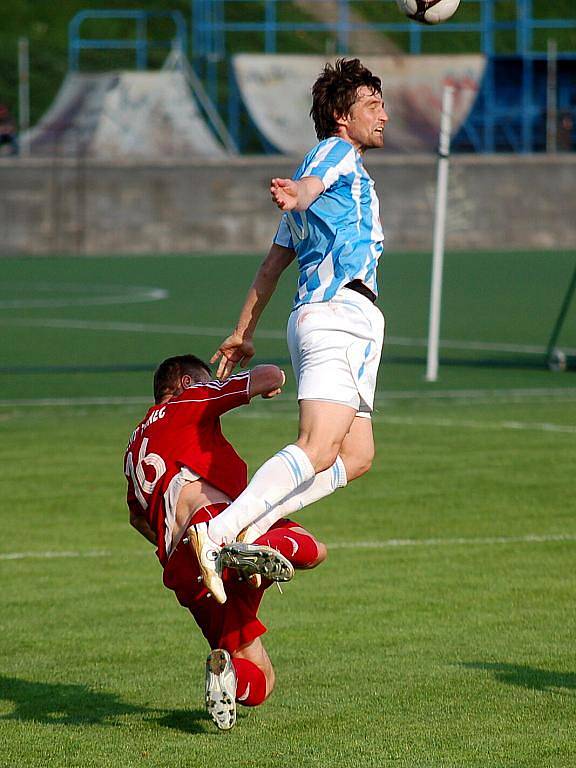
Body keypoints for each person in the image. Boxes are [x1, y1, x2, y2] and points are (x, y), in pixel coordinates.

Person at [188, 58, 388, 601]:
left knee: (357, 454)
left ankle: (253, 525)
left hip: (354, 322)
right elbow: (309, 182)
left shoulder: (342, 184)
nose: (384, 115)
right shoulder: (336, 152)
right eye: (373, 104)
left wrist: (243, 331)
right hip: (335, 315)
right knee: (317, 445)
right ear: (342, 117)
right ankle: (222, 529)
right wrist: (297, 192)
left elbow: (272, 265)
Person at [124, 354, 327, 730]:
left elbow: (137, 517)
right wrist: (277, 378)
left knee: (261, 678)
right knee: (312, 549)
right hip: (216, 527)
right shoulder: (190, 400)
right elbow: (265, 376)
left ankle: (227, 673)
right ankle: (249, 549)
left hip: (184, 570)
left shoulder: (133, 448)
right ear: (186, 384)